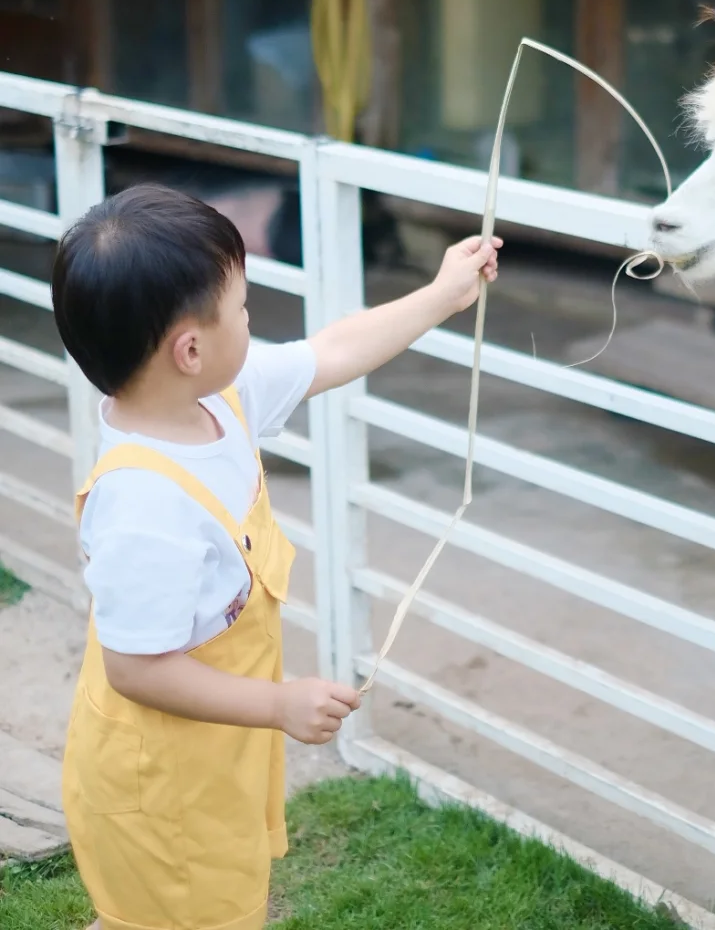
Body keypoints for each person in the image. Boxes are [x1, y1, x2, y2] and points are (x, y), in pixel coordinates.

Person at [51, 183, 500, 930]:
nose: (253, 325)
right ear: (189, 349)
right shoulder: (145, 506)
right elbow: (137, 669)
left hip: (209, 754)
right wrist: (279, 704)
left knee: (166, 912)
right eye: (243, 311)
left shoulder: (216, 403)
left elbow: (332, 352)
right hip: (160, 782)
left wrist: (441, 295)